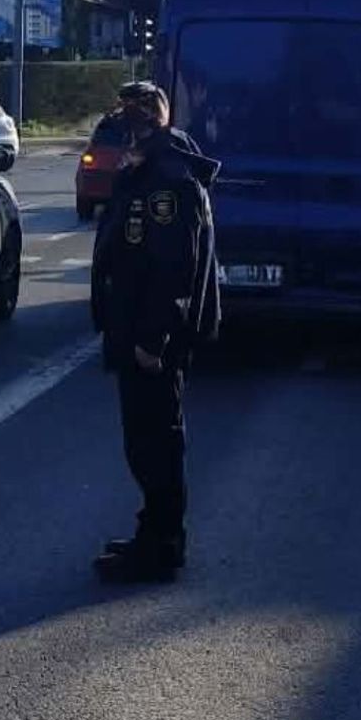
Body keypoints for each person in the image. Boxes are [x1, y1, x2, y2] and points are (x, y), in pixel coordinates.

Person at [90, 80, 220, 584]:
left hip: (151, 337)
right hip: (136, 327)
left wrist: (152, 341)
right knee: (146, 441)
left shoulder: (166, 177)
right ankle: (154, 532)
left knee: (156, 442)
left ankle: (162, 546)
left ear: (147, 121)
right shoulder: (150, 166)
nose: (122, 128)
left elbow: (172, 267)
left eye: (129, 119)